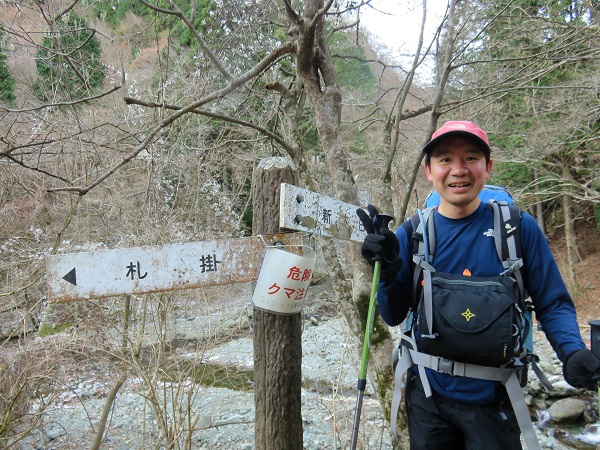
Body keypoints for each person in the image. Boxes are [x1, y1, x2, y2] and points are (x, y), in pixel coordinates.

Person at [359, 120, 600, 450]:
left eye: (471, 158)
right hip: (429, 397)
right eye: (445, 159)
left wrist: (571, 351)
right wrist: (387, 270)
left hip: (496, 398)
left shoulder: (517, 230)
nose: (458, 170)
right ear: (429, 171)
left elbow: (552, 302)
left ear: (487, 168)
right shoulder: (412, 234)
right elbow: (393, 313)